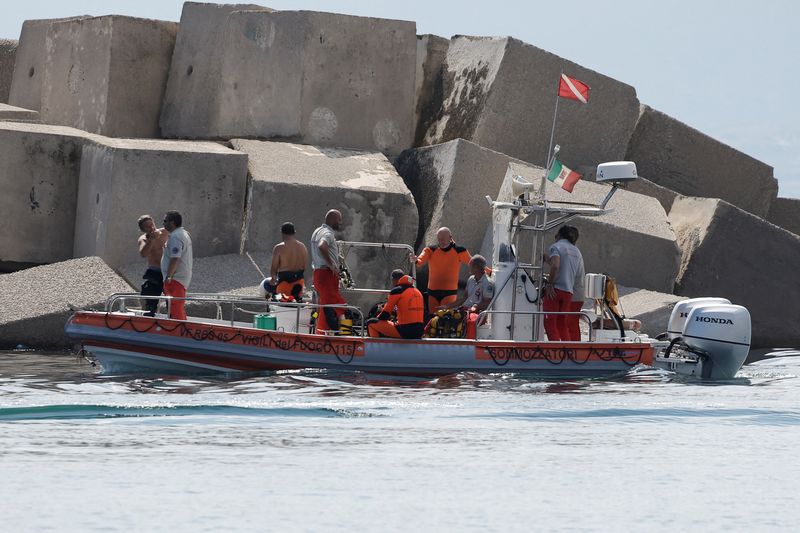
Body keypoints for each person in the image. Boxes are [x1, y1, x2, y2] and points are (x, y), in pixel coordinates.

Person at [410, 227, 473, 312]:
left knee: (445, 317)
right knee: (433, 318)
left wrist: (489, 272)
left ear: (450, 238)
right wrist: (416, 260)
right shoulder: (431, 249)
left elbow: (474, 263)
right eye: (439, 239)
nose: (441, 241)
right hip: (432, 291)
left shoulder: (459, 251)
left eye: (443, 239)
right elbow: (420, 261)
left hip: (449, 292)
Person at [543, 225, 584, 341]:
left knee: (550, 323)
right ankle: (567, 352)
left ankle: (556, 352)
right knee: (562, 324)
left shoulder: (556, 247)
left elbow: (556, 265)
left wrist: (550, 284)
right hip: (568, 292)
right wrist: (548, 260)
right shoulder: (576, 251)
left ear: (559, 235)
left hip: (555, 290)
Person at [436, 255, 494, 339]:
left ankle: (468, 343)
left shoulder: (488, 283)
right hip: (464, 310)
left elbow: (487, 302)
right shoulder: (471, 279)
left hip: (476, 312)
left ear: (476, 267)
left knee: (470, 322)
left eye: (470, 265)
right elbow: (464, 298)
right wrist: (446, 306)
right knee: (442, 317)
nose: (468, 266)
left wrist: (476, 307)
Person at [310, 209, 347, 332]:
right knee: (339, 305)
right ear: (333, 219)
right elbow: (322, 245)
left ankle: (322, 333)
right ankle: (345, 334)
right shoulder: (328, 233)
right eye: (339, 219)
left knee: (326, 305)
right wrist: (332, 264)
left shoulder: (317, 231)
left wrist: (336, 257)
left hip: (319, 274)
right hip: (326, 275)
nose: (340, 222)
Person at [367, 270, 425, 339]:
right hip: (420, 331)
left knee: (371, 323)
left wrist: (377, 319)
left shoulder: (397, 291)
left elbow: (385, 315)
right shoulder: (418, 291)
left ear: (394, 280)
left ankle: (376, 348)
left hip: (405, 331)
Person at [161, 211, 193, 321]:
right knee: (176, 307)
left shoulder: (175, 237)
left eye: (165, 221)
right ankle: (181, 329)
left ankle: (179, 331)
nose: (163, 223)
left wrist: (169, 277)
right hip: (179, 278)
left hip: (175, 279)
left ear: (172, 222)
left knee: (175, 308)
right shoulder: (183, 233)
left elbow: (175, 258)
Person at [136, 214, 168, 316]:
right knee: (150, 303)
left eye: (152, 224)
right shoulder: (143, 239)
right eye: (148, 226)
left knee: (172, 301)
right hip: (155, 272)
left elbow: (181, 233)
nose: (151, 228)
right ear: (143, 229)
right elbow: (143, 254)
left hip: (168, 271)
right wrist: (151, 240)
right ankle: (148, 318)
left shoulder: (164, 232)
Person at [268, 222, 308, 301]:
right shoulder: (303, 247)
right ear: (294, 232)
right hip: (299, 283)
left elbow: (274, 269)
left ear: (282, 233)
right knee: (296, 304)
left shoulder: (279, 248)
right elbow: (304, 267)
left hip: (284, 284)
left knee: (277, 301)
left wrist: (273, 280)